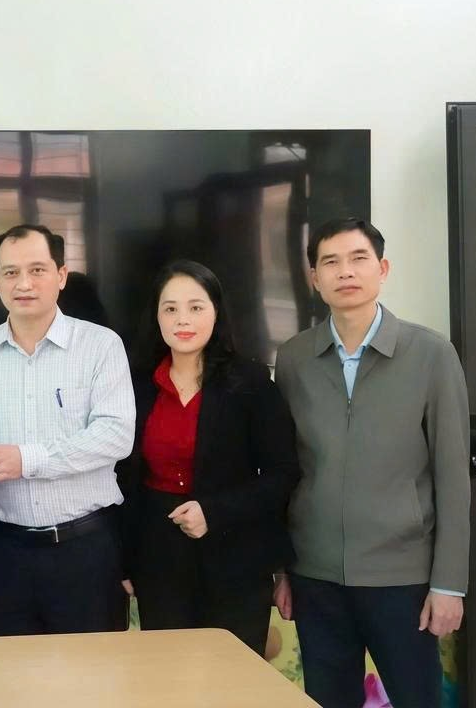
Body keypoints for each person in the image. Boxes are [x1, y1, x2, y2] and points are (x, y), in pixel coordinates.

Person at [273, 217, 469, 708]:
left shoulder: (431, 354)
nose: (345, 271)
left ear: (382, 269)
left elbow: (452, 477)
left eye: (358, 259)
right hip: (316, 576)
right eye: (330, 262)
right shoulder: (294, 358)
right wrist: (282, 569)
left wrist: (449, 584)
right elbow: (283, 470)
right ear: (314, 279)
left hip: (402, 578)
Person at [0, 224, 135, 636]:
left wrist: (27, 459)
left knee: (91, 672)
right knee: (8, 672)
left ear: (61, 275)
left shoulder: (101, 346)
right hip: (4, 554)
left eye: (37, 270)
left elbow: (116, 435)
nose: (24, 283)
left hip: (84, 551)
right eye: (11, 273)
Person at [119, 260, 298, 655]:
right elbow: (123, 479)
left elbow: (282, 473)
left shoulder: (250, 383)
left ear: (216, 313)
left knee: (232, 675)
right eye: (170, 308)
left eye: (196, 307)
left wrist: (214, 512)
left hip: (236, 555)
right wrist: (126, 561)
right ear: (156, 317)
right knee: (168, 673)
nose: (182, 319)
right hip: (158, 558)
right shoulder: (135, 385)